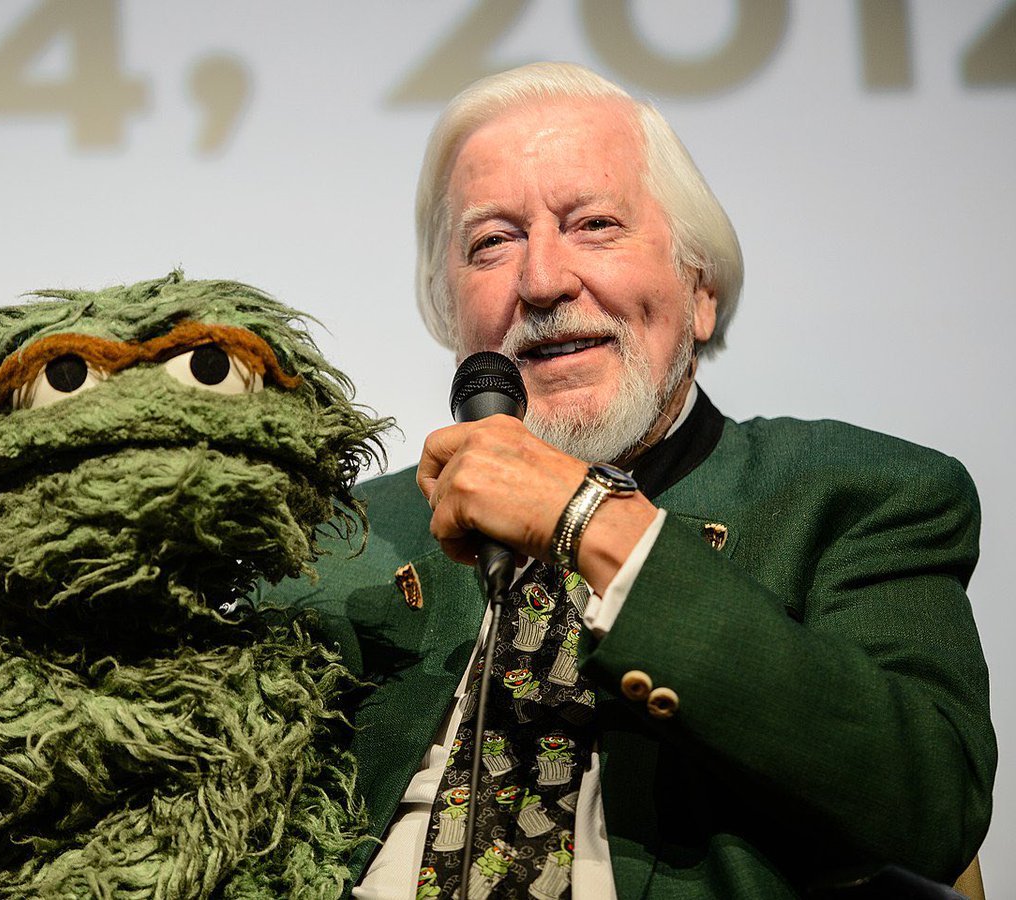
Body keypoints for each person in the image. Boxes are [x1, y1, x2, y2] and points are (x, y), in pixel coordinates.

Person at [269, 62, 995, 899]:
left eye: (595, 225)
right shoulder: (340, 534)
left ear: (701, 290)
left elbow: (928, 805)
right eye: (492, 243)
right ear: (448, 312)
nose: (542, 281)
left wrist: (594, 521)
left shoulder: (856, 492)